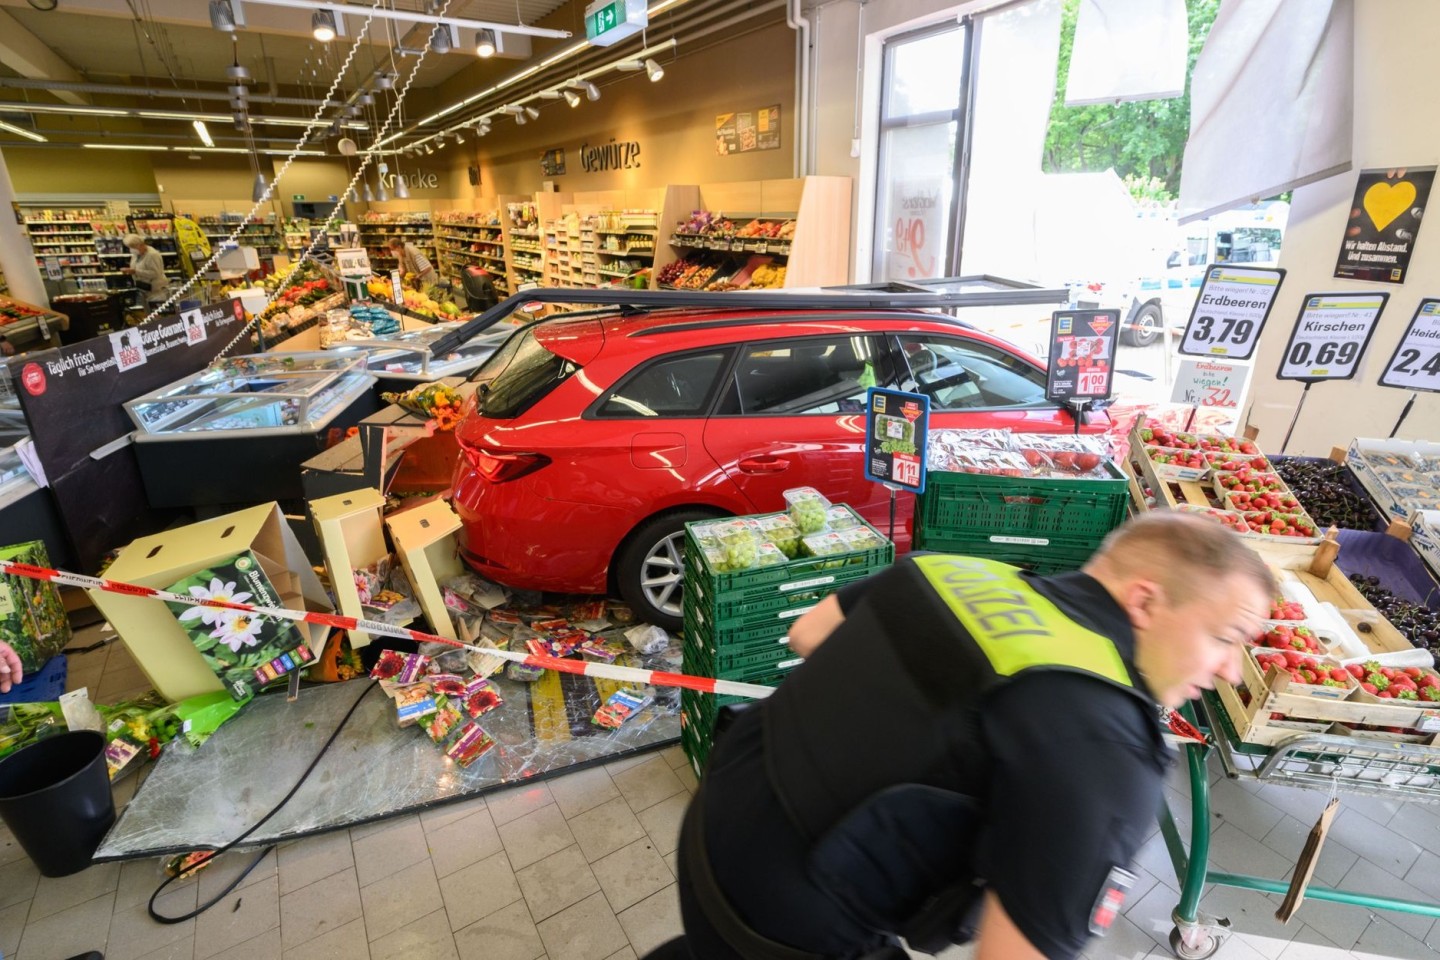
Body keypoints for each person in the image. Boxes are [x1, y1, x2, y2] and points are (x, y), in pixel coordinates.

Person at [646, 510, 1273, 960]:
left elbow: (808, 634)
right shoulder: (1107, 745)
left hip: (714, 823)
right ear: (1145, 601)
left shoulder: (953, 572)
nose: (1227, 671)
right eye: (1225, 638)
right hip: (788, 923)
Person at [119, 233, 170, 308]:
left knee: (157, 314)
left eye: (132, 247)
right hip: (143, 289)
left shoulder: (152, 255)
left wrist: (135, 271)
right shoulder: (137, 255)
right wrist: (130, 271)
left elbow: (155, 273)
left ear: (140, 245)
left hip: (156, 291)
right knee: (148, 313)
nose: (131, 249)